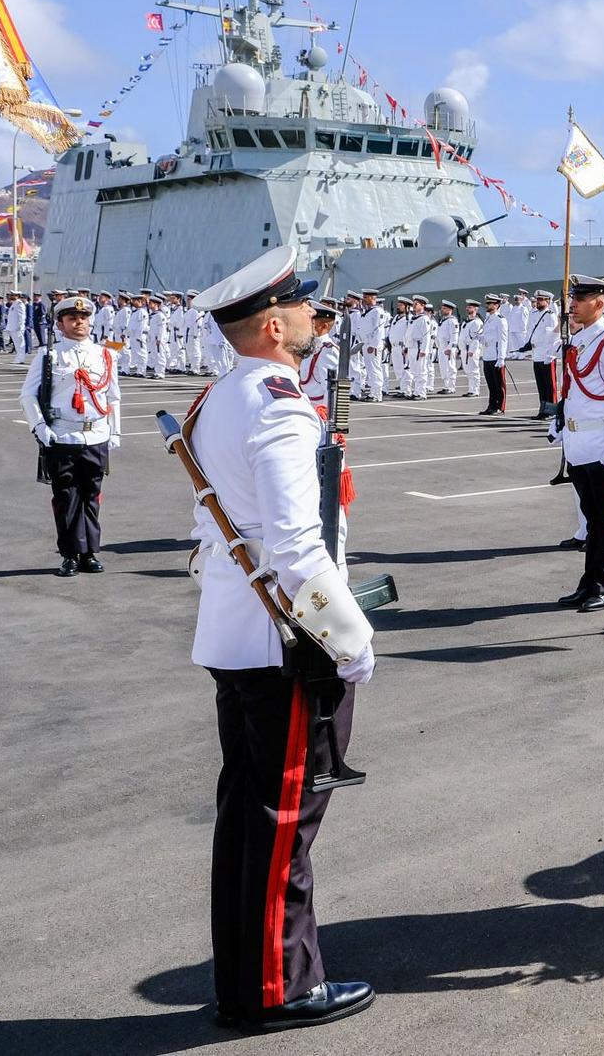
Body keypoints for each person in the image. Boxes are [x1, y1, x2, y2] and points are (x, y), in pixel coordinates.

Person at [185, 247, 376, 1034]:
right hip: (285, 645)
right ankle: (279, 988)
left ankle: (247, 981)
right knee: (283, 826)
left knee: (247, 820)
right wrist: (353, 641)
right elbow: (298, 551)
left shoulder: (218, 398)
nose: (311, 316)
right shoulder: (279, 404)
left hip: (235, 634)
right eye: (301, 306)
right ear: (272, 324)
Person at [550, 276, 604, 613]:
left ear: (600, 303)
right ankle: (588, 582)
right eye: (573, 298)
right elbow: (573, 391)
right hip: (579, 443)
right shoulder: (579, 340)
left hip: (603, 445)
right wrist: (560, 423)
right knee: (591, 520)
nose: (572, 304)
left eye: (580, 298)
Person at [20, 295, 121, 577]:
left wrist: (115, 430)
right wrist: (40, 427)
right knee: (66, 498)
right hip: (63, 435)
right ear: (60, 324)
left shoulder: (105, 355)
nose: (79, 323)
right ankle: (70, 555)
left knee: (91, 496)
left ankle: (90, 552)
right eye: (72, 319)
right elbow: (28, 395)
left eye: (84, 318)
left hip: (96, 434)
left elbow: (113, 396)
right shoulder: (48, 356)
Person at [522, 290, 559, 419]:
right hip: (537, 354)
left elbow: (554, 337)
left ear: (547, 301)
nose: (537, 302)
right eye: (537, 299)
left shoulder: (550, 316)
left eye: (540, 300)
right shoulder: (534, 314)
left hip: (547, 355)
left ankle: (552, 411)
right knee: (541, 385)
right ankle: (543, 410)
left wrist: (551, 355)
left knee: (550, 385)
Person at [478, 291, 511, 415]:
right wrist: (479, 337)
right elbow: (487, 336)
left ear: (496, 305)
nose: (487, 305)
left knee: (499, 384)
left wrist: (501, 358)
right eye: (487, 303)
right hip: (487, 355)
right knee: (491, 384)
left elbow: (503, 339)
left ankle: (499, 407)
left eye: (490, 303)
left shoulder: (500, 320)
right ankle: (491, 405)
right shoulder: (488, 318)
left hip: (496, 356)